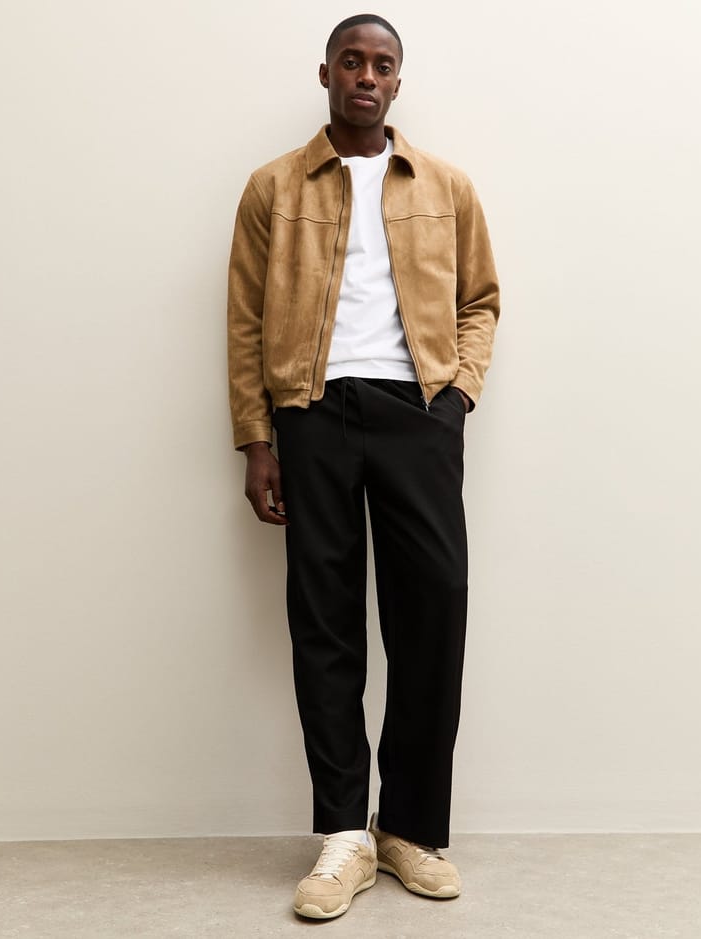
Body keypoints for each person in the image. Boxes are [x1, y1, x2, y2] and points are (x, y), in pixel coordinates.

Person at [227, 13, 500, 920]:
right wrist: (257, 438)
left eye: (383, 64)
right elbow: (244, 319)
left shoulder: (446, 186)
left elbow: (481, 300)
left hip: (418, 413)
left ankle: (410, 828)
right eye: (353, 61)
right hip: (311, 414)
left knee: (433, 614)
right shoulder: (274, 186)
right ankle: (344, 832)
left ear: (397, 81)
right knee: (325, 621)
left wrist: (456, 395)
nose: (367, 77)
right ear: (327, 73)